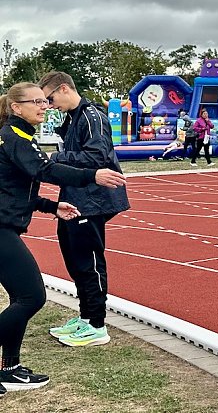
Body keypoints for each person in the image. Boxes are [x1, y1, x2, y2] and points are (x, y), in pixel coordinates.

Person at [0, 83, 126, 394]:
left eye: (45, 101)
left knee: (22, 297)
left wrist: (51, 206)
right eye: (36, 101)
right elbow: (46, 170)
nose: (44, 106)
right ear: (16, 107)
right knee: (31, 297)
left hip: (5, 226)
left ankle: (9, 370)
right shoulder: (15, 138)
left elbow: (13, 190)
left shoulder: (16, 136)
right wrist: (92, 175)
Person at [37, 71, 131, 348]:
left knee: (89, 263)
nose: (49, 105)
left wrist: (55, 157)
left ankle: (97, 325)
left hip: (93, 199)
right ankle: (86, 317)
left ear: (64, 89)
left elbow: (97, 156)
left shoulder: (92, 116)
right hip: (75, 196)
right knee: (75, 260)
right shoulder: (72, 117)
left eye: (50, 99)